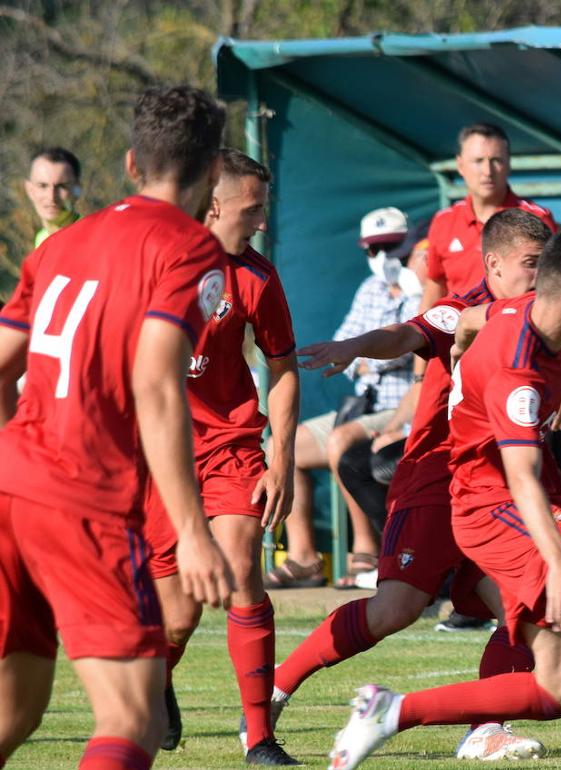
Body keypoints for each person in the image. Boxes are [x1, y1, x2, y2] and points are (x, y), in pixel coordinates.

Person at [327, 231, 561, 770]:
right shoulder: (518, 372)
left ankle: (393, 711)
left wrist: (465, 356)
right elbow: (521, 479)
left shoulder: (517, 310)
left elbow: (469, 322)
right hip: (489, 506)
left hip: (500, 500)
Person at [0, 84, 234, 770]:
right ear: (214, 171)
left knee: (14, 710)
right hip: (83, 499)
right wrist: (194, 531)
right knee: (135, 716)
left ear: (131, 164)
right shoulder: (191, 252)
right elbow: (158, 381)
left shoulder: (61, 244)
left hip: (12, 485)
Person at [265, 209, 553, 761]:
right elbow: (407, 332)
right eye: (531, 264)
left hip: (493, 489)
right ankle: (276, 687)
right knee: (395, 609)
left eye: (548, 263)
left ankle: (482, 730)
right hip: (436, 479)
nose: (541, 276)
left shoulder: (540, 318)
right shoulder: (462, 309)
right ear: (493, 264)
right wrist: (355, 346)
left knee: (524, 606)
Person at [137, 149, 300, 764]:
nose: (261, 220)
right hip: (157, 457)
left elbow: (282, 370)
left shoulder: (256, 276)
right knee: (176, 619)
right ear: (213, 204)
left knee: (239, 571)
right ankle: (158, 684)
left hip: (231, 449)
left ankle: (259, 737)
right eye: (252, 208)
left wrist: (280, 456)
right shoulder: (151, 265)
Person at [267, 207, 422, 589]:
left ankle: (365, 552)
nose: (384, 257)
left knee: (342, 441)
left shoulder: (424, 286)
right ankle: (303, 558)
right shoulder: (369, 289)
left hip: (402, 410)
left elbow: (410, 345)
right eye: (374, 249)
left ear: (410, 245)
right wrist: (364, 356)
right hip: (363, 406)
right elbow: (344, 344)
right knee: (281, 447)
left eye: (392, 247)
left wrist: (364, 354)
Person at [421, 122, 558, 306]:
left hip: (517, 331)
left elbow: (556, 286)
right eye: (478, 161)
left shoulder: (536, 218)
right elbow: (434, 288)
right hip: (459, 331)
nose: (487, 172)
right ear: (460, 165)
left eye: (496, 160)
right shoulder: (444, 221)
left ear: (509, 163)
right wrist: (422, 333)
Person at [25, 146, 82, 249]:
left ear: (77, 190)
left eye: (61, 186)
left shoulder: (93, 236)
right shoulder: (41, 239)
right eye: (43, 186)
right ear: (30, 190)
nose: (51, 197)